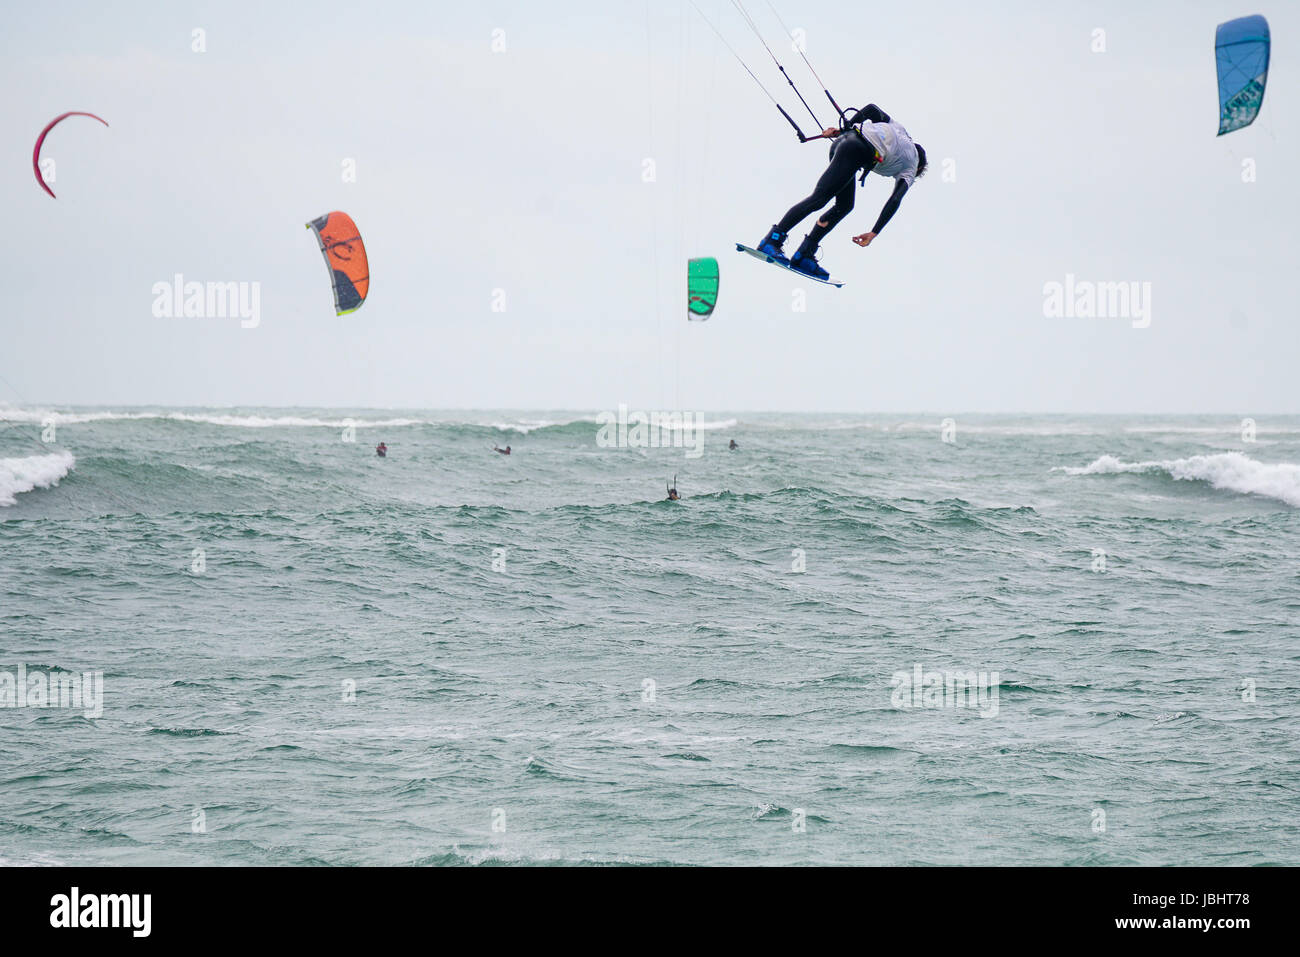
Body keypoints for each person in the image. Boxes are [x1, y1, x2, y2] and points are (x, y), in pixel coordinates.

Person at [757, 104, 926, 280]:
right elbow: (895, 199)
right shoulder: (912, 166)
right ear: (919, 167)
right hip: (856, 151)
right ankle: (772, 240)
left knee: (844, 205)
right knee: (819, 199)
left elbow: (871, 110)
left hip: (845, 143)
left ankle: (805, 253)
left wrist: (841, 130)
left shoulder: (900, 131)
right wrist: (875, 232)